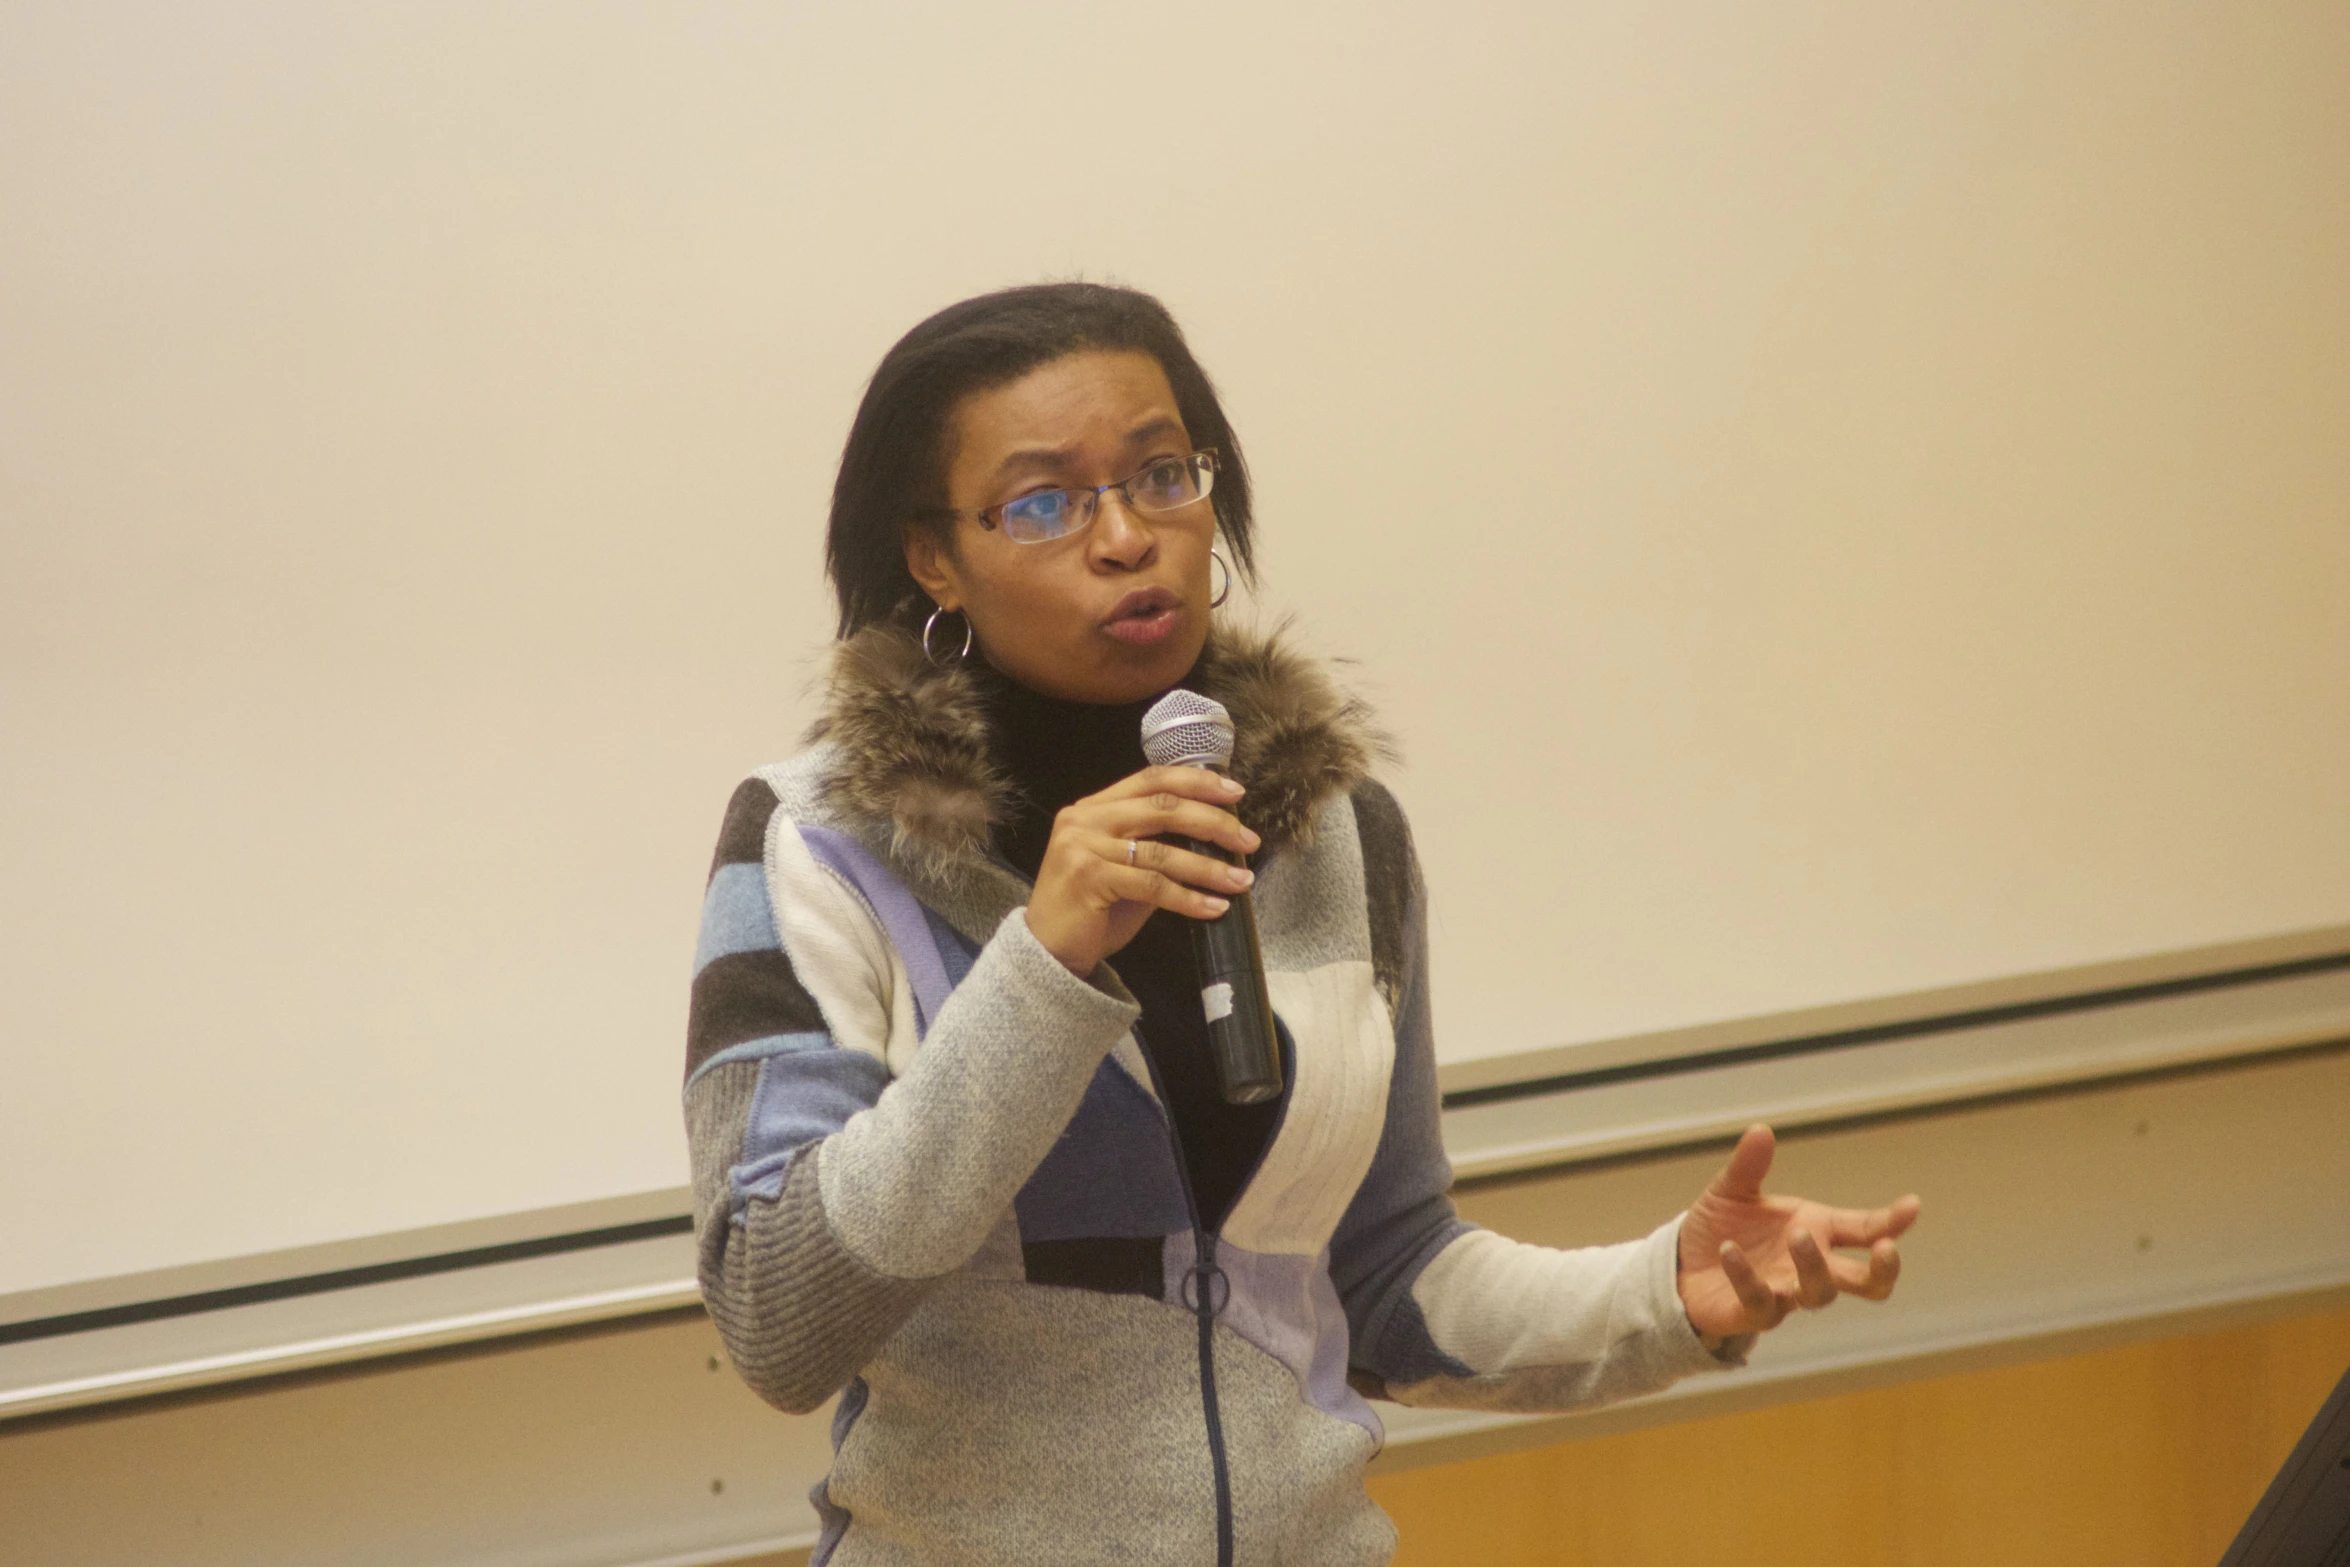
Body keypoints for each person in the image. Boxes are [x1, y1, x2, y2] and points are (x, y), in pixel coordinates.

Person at [682, 282, 1921, 1566]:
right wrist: (1041, 969)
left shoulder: (1333, 829)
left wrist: (1664, 1292)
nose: (1124, 537)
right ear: (932, 555)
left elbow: (1380, 1277)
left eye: (1163, 473)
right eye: (1044, 502)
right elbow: (780, 1313)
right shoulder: (820, 846)